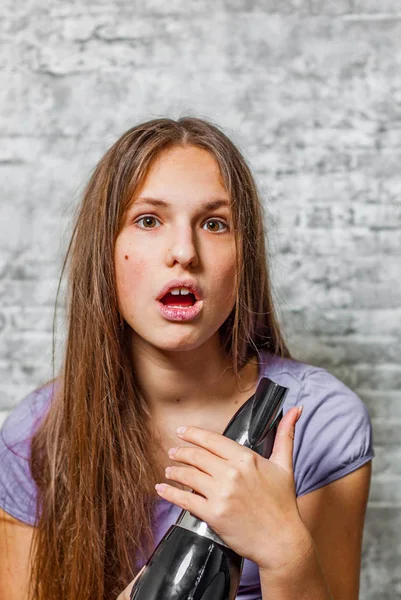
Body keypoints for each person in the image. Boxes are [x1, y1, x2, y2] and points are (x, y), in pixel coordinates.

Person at [0, 117, 374, 600]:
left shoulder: (320, 421)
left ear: (246, 257)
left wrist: (285, 549)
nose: (184, 252)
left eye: (215, 224)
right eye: (149, 220)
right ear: (105, 252)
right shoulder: (35, 436)